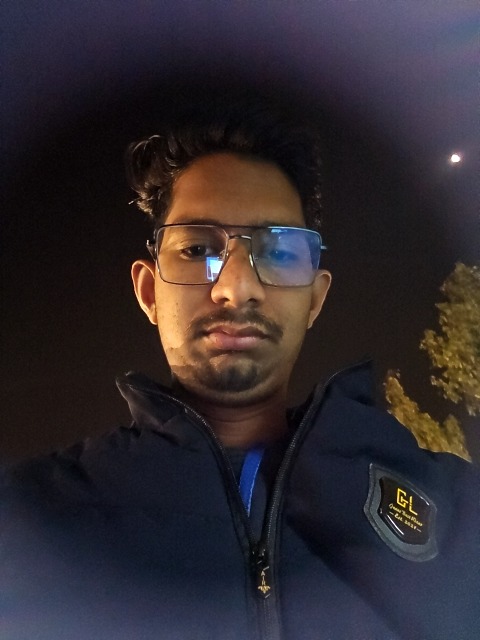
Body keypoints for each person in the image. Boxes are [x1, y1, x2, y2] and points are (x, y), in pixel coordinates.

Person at [1, 102, 478, 640]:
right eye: (198, 248)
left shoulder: (458, 515)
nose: (237, 287)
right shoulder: (30, 520)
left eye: (278, 253)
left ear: (315, 298)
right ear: (149, 292)